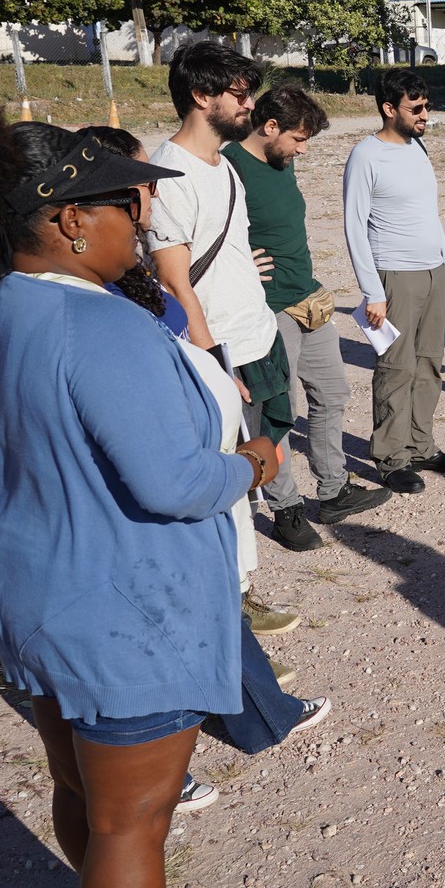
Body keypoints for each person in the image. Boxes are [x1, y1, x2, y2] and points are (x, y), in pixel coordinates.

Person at [0, 111, 274, 888]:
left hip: (32, 591)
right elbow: (174, 484)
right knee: (133, 823)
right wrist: (251, 467)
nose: (144, 220)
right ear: (69, 220)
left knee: (81, 788)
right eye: (126, 203)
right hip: (122, 612)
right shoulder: (108, 329)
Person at [91, 125, 331, 814]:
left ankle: (251, 711)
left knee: (206, 584)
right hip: (160, 495)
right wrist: (243, 466)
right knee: (174, 591)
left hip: (184, 453)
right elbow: (170, 478)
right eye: (137, 188)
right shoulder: (86, 303)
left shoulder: (96, 285)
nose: (148, 201)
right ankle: (165, 769)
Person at [144, 42, 306, 637]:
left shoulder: (227, 165)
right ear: (200, 96)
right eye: (239, 94)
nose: (250, 105)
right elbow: (173, 279)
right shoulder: (170, 174)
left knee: (255, 465)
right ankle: (229, 598)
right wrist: (212, 362)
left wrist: (247, 270)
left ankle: (238, 588)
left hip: (258, 335)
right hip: (218, 353)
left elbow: (223, 245)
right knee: (224, 480)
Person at [230, 86, 391, 524]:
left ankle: (334, 490)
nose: (302, 149)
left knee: (333, 393)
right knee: (280, 409)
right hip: (269, 309)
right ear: (270, 127)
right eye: (298, 139)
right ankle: (285, 509)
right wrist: (241, 261)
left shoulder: (281, 161)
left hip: (307, 298)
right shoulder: (230, 167)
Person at [342, 69, 445, 493]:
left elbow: (428, 212)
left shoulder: (418, 148)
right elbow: (354, 226)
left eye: (427, 106)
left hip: (432, 272)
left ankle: (421, 446)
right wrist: (372, 291)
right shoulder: (365, 155)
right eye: (417, 108)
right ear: (388, 108)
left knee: (429, 362)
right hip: (393, 276)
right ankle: (391, 457)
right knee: (396, 367)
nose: (425, 115)